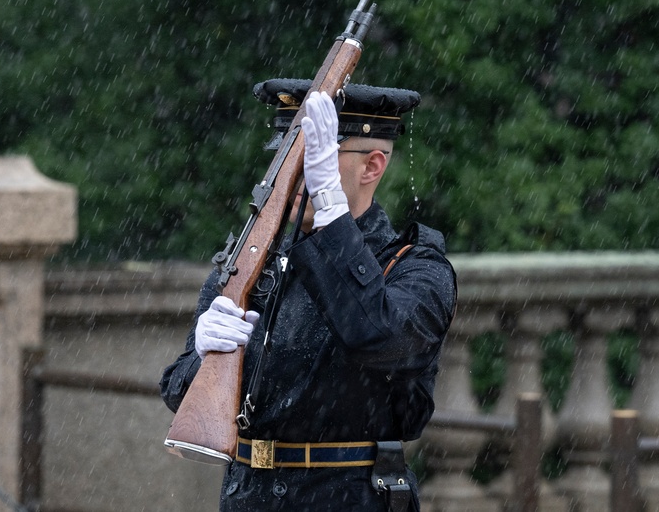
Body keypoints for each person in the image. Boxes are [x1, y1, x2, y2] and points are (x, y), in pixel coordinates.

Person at [160, 78, 457, 512]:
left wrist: (332, 216)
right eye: (288, 156)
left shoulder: (414, 266)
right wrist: (204, 357)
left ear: (372, 167)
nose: (294, 171)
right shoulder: (252, 259)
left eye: (314, 156)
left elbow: (378, 336)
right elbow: (178, 390)